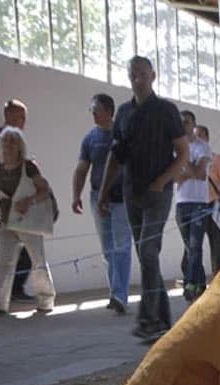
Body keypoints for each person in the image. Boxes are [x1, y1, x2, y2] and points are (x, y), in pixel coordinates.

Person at [99, 55, 188, 342]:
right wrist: (103, 192)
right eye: (133, 75)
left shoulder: (167, 111)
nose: (138, 79)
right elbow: (116, 156)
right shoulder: (123, 113)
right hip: (130, 193)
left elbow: (183, 154)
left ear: (153, 75)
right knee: (146, 257)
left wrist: (163, 180)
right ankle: (161, 319)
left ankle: (149, 320)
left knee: (148, 252)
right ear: (129, 78)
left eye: (142, 74)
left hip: (158, 194)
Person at [0, 128, 56, 315]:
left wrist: (29, 201)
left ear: (20, 146)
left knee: (37, 261)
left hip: (28, 220)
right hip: (7, 220)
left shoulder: (29, 166)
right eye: (5, 141)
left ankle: (46, 299)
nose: (8, 145)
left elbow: (44, 190)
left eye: (13, 142)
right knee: (5, 262)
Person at [71, 93, 130, 315]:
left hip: (121, 198)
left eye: (96, 109)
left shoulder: (122, 136)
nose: (93, 114)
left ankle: (120, 296)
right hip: (98, 197)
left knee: (122, 246)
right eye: (92, 110)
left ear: (108, 111)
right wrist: (76, 195)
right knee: (108, 249)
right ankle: (115, 291)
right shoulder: (90, 139)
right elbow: (81, 169)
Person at [0, 99, 33, 303]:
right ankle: (11, 290)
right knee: (14, 242)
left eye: (24, 118)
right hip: (9, 199)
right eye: (20, 117)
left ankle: (14, 288)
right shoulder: (1, 137)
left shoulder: (17, 138)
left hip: (21, 197)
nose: (23, 122)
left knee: (26, 242)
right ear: (8, 116)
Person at [175, 111, 212, 302]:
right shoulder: (175, 148)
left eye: (187, 122)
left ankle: (190, 284)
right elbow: (174, 177)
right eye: (180, 123)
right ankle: (200, 283)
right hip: (181, 203)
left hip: (199, 203)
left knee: (196, 246)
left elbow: (200, 173)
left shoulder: (202, 147)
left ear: (193, 125)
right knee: (190, 247)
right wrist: (186, 168)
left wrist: (183, 159)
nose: (183, 125)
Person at [199, 125, 220, 276]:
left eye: (201, 136)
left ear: (207, 138)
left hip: (213, 206)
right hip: (196, 206)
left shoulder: (216, 159)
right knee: (193, 246)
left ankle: (218, 277)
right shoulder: (190, 159)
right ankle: (196, 281)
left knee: (216, 245)